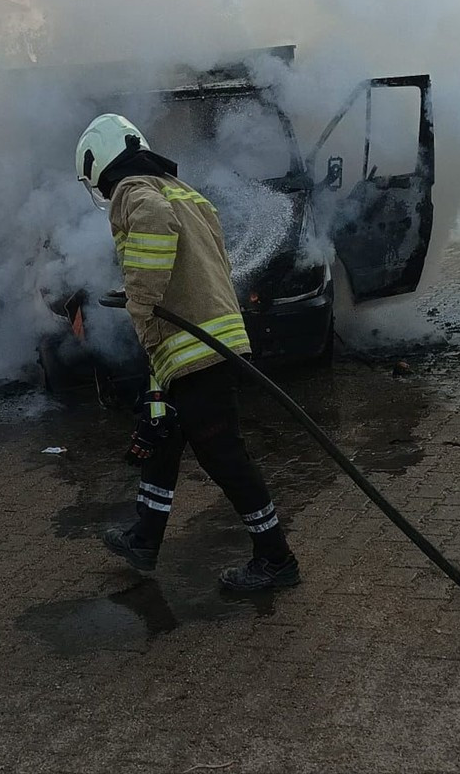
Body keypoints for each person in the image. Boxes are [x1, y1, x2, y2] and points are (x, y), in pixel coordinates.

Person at [75, 112, 300, 592]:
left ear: (100, 163)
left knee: (222, 453)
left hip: (191, 344)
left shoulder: (134, 192)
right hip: (210, 336)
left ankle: (276, 557)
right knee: (165, 432)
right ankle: (145, 537)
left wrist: (142, 306)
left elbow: (153, 241)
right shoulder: (185, 191)